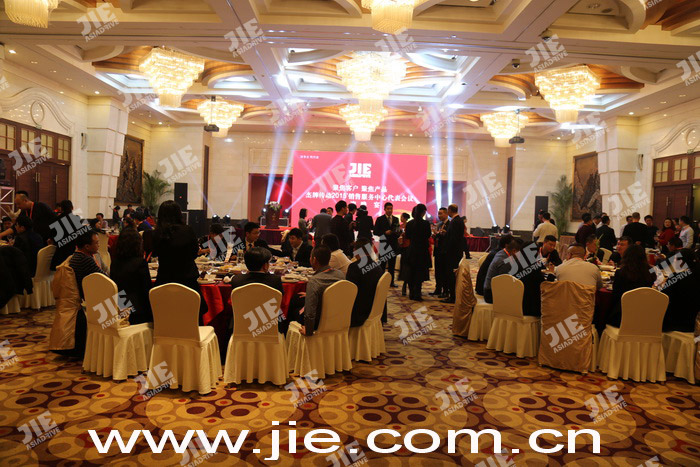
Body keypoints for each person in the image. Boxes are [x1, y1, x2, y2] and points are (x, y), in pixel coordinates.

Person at [152, 200, 207, 322]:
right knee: (192, 317)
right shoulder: (187, 230)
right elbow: (194, 253)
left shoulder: (157, 233)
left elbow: (154, 253)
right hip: (187, 281)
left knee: (166, 318)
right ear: (179, 214)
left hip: (164, 281)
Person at [67, 229, 106, 358]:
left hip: (87, 298)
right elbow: (106, 279)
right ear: (87, 246)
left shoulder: (76, 257)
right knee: (126, 301)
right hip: (93, 301)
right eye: (96, 243)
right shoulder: (85, 260)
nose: (99, 245)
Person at [229, 247, 286, 336]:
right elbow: (281, 302)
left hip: (243, 324)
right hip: (269, 325)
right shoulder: (275, 280)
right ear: (265, 265)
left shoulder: (237, 280)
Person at [294, 245, 345, 336]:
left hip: (319, 323)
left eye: (310, 257)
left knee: (293, 310)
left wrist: (308, 331)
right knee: (298, 299)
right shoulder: (340, 275)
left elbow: (310, 313)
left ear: (314, 260)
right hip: (337, 318)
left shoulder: (314, 281)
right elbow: (331, 293)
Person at [110, 228, 153, 325]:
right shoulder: (140, 263)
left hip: (120, 305)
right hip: (138, 311)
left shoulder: (115, 262)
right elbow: (147, 290)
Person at [606, 245, 656, 328]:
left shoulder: (621, 273)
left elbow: (615, 296)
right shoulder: (650, 273)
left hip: (621, 316)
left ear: (626, 256)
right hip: (643, 316)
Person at [346, 238, 383, 328]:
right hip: (374, 309)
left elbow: (349, 293)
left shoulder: (354, 267)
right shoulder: (378, 267)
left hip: (358, 314)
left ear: (356, 251)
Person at [660, 248, 699, 332]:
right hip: (693, 321)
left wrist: (664, 284)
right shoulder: (696, 274)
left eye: (675, 260)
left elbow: (663, 297)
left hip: (675, 322)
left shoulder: (676, 277)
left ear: (681, 262)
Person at [483, 237, 523, 304]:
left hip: (489, 289)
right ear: (514, 251)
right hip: (491, 294)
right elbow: (505, 284)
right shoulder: (505, 262)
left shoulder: (502, 252)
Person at [404, 204, 431, 301]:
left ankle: (411, 292)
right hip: (422, 251)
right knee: (419, 273)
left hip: (412, 250)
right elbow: (428, 235)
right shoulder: (426, 224)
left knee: (411, 272)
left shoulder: (410, 223)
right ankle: (417, 294)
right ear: (423, 212)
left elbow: (407, 236)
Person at [442, 204, 466, 304]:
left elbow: (454, 239)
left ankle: (453, 296)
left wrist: (447, 249)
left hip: (453, 253)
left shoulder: (455, 221)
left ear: (450, 210)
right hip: (455, 252)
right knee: (452, 274)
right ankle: (452, 295)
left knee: (451, 275)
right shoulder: (458, 220)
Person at [50, 200, 82, 271]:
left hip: (60, 252)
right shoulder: (76, 219)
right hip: (73, 252)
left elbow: (53, 236)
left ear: (61, 208)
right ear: (72, 208)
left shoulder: (56, 219)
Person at [374, 202, 400, 287]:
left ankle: (391, 282)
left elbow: (397, 231)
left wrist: (396, 232)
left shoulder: (396, 219)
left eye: (391, 208)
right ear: (384, 209)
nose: (389, 210)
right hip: (384, 245)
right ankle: (381, 282)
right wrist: (384, 233)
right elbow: (375, 232)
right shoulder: (380, 219)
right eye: (388, 209)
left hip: (393, 245)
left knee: (392, 266)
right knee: (382, 265)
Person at [431, 207, 449, 297]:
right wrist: (435, 235)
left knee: (444, 272)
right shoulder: (439, 224)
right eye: (438, 213)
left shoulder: (450, 224)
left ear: (446, 214)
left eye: (441, 213)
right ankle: (438, 288)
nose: (439, 215)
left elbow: (449, 238)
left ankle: (445, 290)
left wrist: (444, 234)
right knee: (437, 271)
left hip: (445, 252)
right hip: (438, 251)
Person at [397, 212, 411, 296]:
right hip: (402, 247)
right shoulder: (400, 226)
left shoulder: (409, 225)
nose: (400, 218)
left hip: (408, 247)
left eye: (401, 217)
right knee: (403, 265)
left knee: (407, 266)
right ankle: (404, 283)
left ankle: (406, 284)